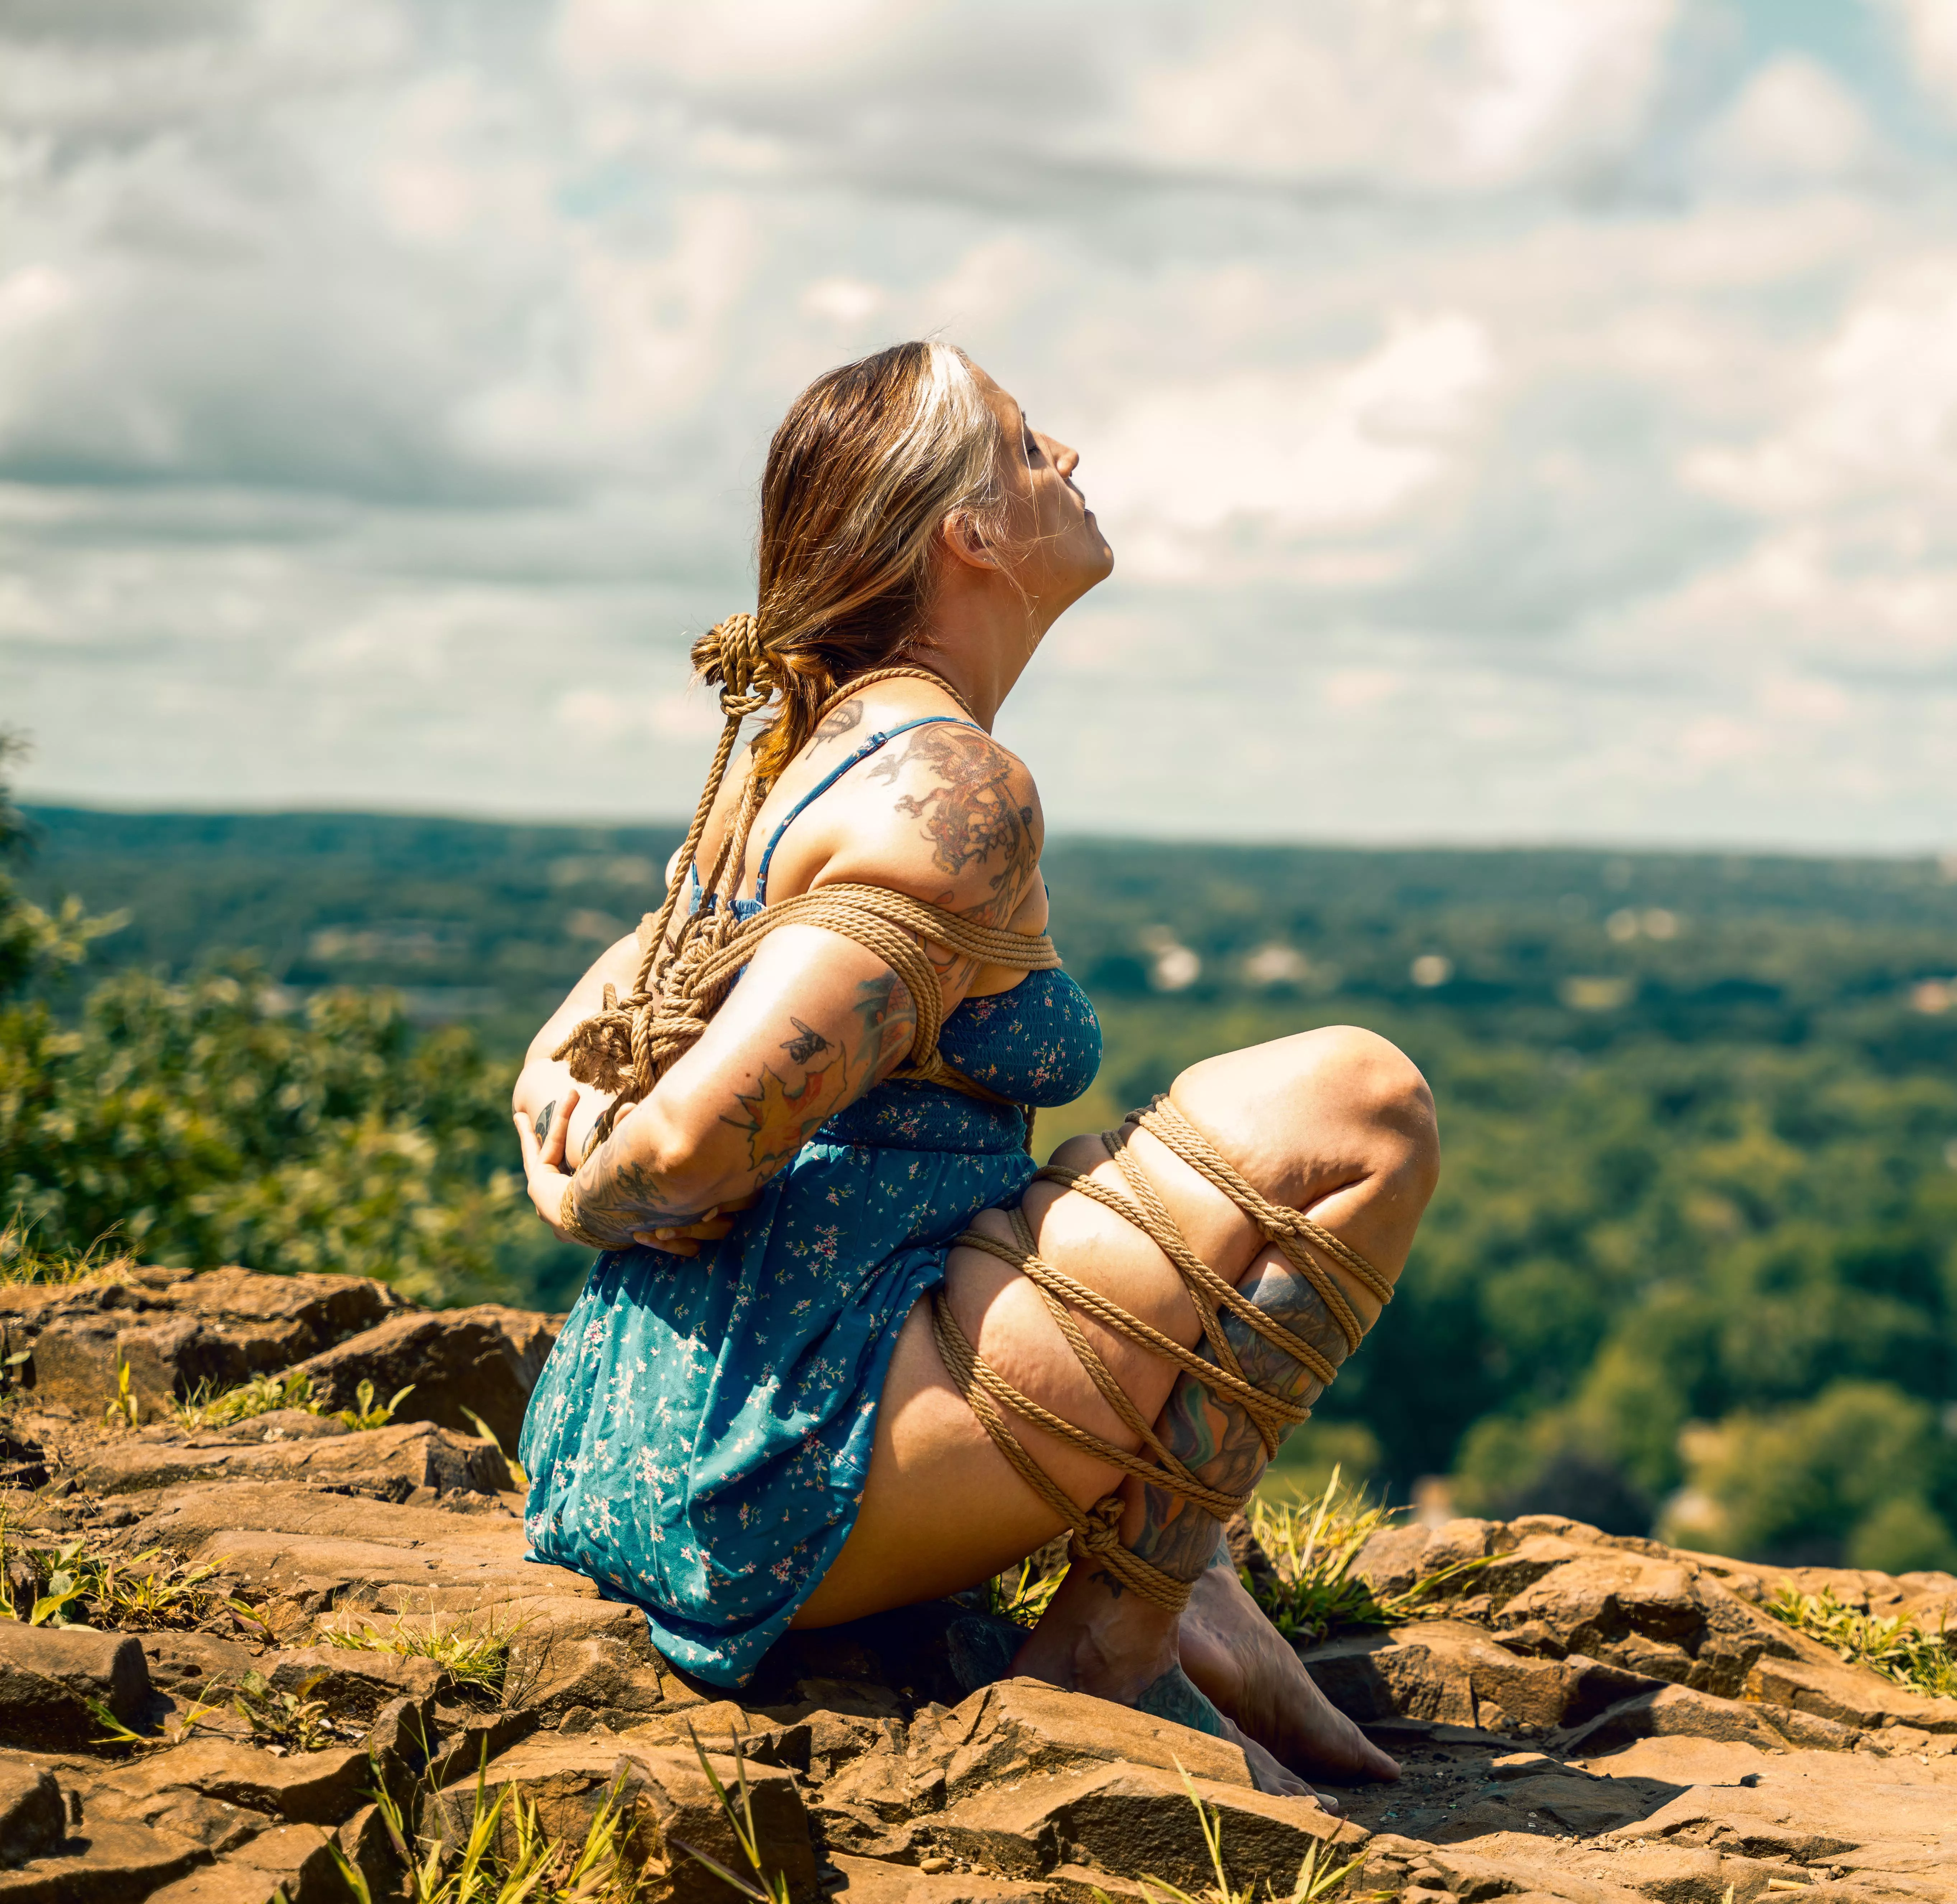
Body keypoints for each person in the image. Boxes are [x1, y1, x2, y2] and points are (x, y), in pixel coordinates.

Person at [505, 339, 1437, 1797]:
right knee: (1358, 1106)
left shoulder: (801, 756)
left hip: (623, 1438)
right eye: (1022, 443)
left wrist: (553, 1129)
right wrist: (591, 1198)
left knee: (1097, 1176)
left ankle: (1187, 1584)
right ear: (970, 536)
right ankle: (1117, 1642)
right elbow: (690, 1144)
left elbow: (588, 1027)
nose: (1065, 457)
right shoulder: (951, 792)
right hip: (771, 1473)